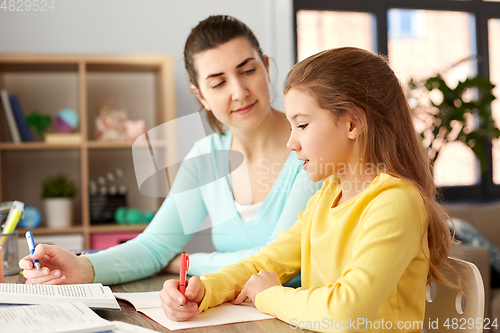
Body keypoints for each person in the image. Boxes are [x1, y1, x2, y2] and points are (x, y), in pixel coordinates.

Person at [159, 47, 455, 332]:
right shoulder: (327, 195)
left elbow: (345, 313)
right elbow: (267, 260)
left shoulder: (394, 202)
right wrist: (206, 288)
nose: (291, 143)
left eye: (301, 125)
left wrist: (268, 296)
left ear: (352, 123)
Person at [19, 15, 320, 286]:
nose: (239, 92)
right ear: (200, 95)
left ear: (266, 68)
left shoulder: (312, 146)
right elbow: (154, 246)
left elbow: (280, 262)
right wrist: (82, 266)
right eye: (218, 83)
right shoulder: (206, 159)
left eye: (248, 71)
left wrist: (187, 264)